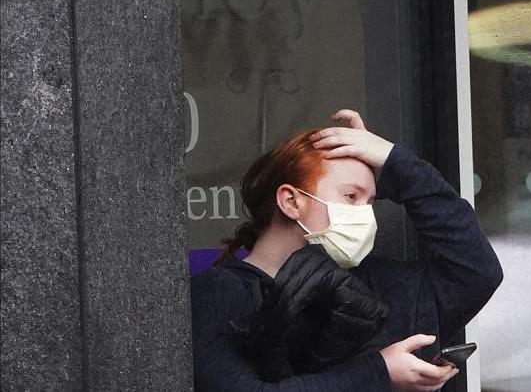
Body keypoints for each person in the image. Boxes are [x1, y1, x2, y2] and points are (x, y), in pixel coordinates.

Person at [191, 109, 503, 391]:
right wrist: (381, 371)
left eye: (371, 202)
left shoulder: (379, 285)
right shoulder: (222, 292)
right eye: (351, 197)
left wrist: (396, 162)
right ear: (291, 201)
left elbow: (475, 270)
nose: (365, 215)